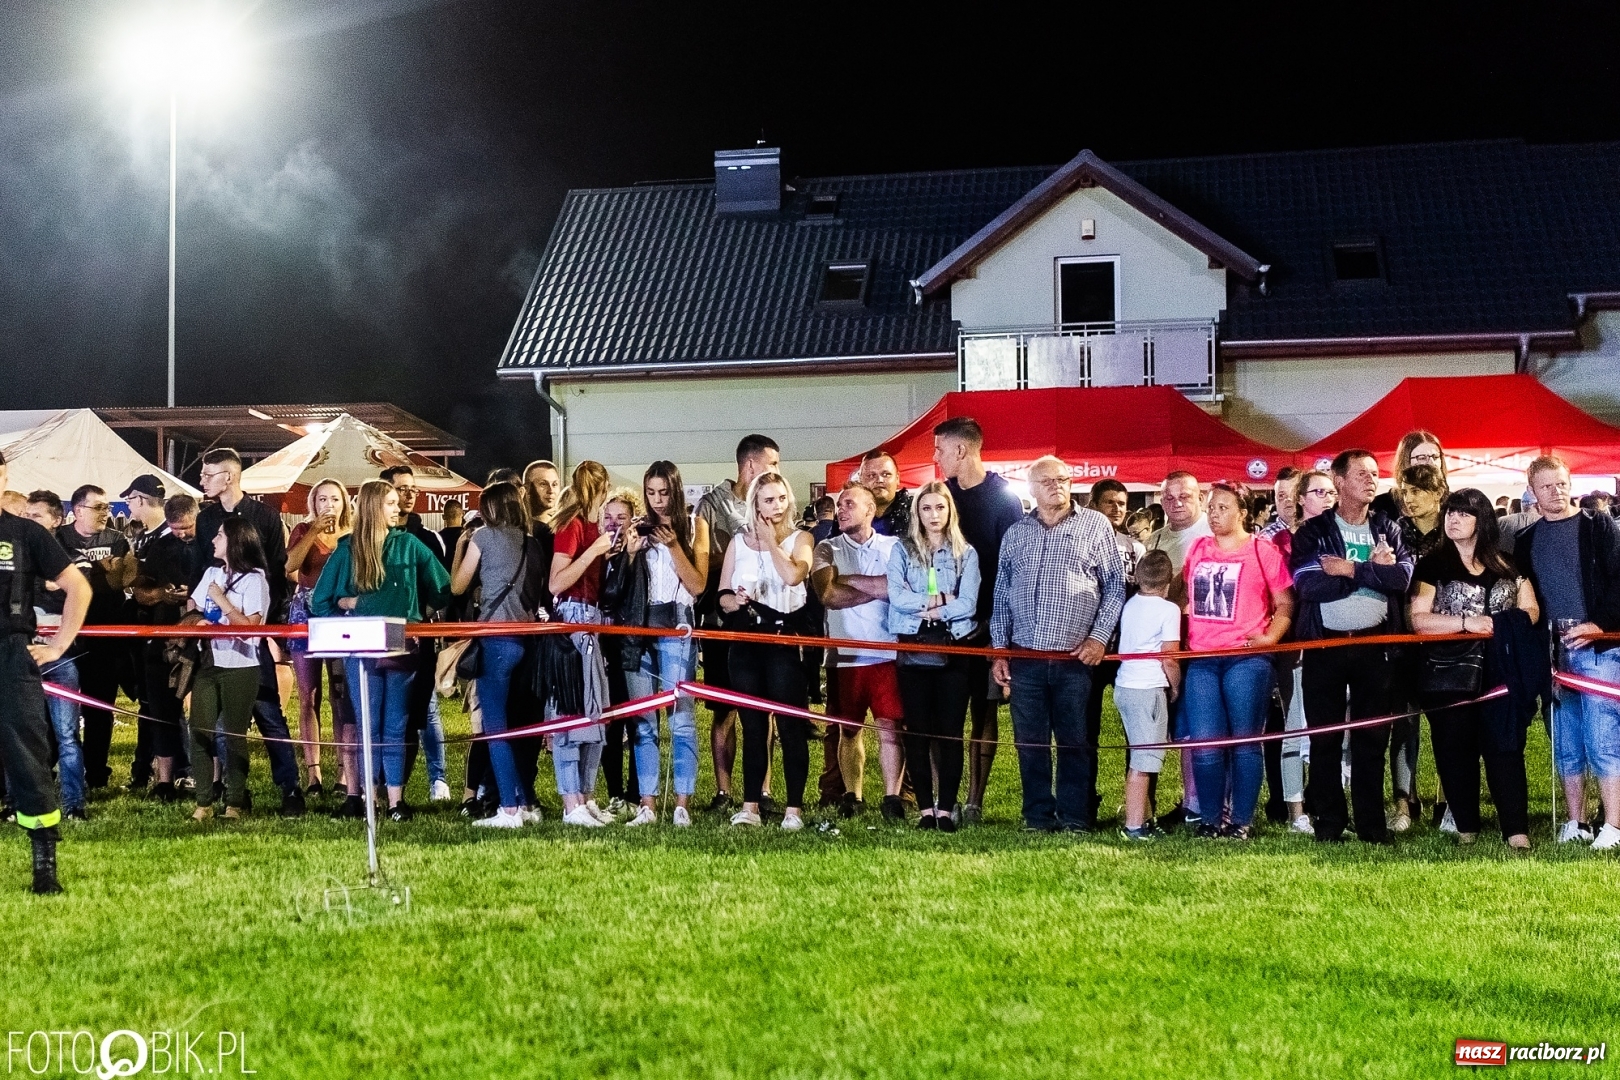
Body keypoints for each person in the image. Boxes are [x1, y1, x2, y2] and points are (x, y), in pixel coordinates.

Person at [989, 456, 1126, 832]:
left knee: (1074, 741)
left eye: (1063, 479)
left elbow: (1115, 586)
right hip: (1025, 655)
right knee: (1029, 742)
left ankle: (1074, 816)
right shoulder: (1016, 533)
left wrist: (1099, 637)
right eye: (1047, 481)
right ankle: (1037, 815)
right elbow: (1001, 594)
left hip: (1075, 657)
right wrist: (999, 649)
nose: (1057, 486)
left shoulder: (1095, 525)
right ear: (1031, 489)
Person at [1289, 449, 1415, 844]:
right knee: (1324, 737)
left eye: (1375, 473)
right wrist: (1375, 572)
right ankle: (1329, 822)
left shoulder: (1388, 528)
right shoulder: (1312, 532)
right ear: (1339, 481)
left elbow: (1403, 578)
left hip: (1376, 648)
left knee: (1372, 738)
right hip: (1325, 646)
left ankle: (1371, 824)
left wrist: (1350, 569)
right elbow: (1309, 584)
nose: (1371, 480)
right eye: (1361, 474)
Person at [310, 480, 451, 822]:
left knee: (385, 724)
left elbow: (442, 589)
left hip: (379, 644)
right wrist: (414, 611)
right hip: (378, 643)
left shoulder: (406, 544)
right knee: (379, 726)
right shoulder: (350, 549)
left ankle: (386, 800)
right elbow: (320, 601)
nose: (398, 507)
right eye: (390, 502)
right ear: (374, 507)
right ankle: (385, 801)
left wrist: (353, 606)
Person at [1410, 488, 1538, 848]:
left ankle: (1516, 830)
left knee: (1505, 747)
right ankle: (1466, 826)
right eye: (1450, 513)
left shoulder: (1508, 564)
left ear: (1482, 520)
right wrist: (1467, 623)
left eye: (1463, 513)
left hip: (1501, 670)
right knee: (1454, 748)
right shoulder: (1432, 564)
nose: (1453, 519)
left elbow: (1531, 610)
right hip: (1448, 671)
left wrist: (1504, 624)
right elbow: (1419, 619)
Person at [1514, 456, 1620, 849]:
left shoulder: (1598, 526)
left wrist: (1600, 625)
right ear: (1533, 491)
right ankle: (1577, 822)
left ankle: (1614, 826)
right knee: (1566, 743)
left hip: (1599, 650)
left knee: (1603, 739)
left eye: (1561, 483)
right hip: (1553, 655)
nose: (1556, 491)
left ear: (1570, 482)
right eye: (1546, 486)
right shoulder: (1525, 540)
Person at [1180, 482, 1295, 840]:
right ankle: (1210, 819)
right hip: (1203, 658)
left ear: (1243, 512)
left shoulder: (1263, 551)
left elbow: (1285, 603)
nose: (1214, 514)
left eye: (1223, 507)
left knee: (1246, 740)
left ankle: (1241, 820)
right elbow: (1187, 594)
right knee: (1205, 743)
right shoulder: (1198, 548)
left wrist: (1270, 637)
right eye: (1211, 507)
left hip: (1247, 658)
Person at [192, 448, 303, 816]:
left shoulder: (265, 517)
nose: (202, 480)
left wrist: (262, 624)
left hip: (251, 637)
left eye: (208, 474)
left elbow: (276, 573)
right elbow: (201, 569)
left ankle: (290, 789)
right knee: (223, 721)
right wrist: (199, 614)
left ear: (229, 477)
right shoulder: (206, 519)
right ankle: (234, 792)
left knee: (269, 714)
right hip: (217, 638)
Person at [0, 450, 92, 893]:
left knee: (26, 757)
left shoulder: (25, 533)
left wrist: (58, 645)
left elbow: (79, 587)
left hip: (10, 654)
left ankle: (44, 863)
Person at [933, 417, 1024, 824]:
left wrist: (996, 627)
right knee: (943, 714)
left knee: (984, 713)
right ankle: (944, 798)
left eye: (940, 449)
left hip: (988, 627)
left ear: (961, 450)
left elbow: (1012, 568)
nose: (936, 457)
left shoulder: (1004, 500)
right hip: (945, 626)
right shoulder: (941, 497)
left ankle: (974, 801)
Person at [717, 471, 815, 829]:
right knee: (753, 726)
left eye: (781, 498)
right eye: (768, 500)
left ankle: (794, 809)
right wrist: (735, 601)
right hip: (746, 641)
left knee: (790, 724)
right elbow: (722, 596)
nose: (776, 506)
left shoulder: (801, 538)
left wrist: (772, 542)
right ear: (754, 504)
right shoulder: (737, 543)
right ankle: (751, 805)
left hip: (783, 640)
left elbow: (793, 576)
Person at [617, 462, 710, 827]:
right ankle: (648, 804)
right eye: (651, 493)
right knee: (643, 720)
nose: (657, 500)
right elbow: (620, 587)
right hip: (639, 626)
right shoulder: (638, 527)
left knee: (681, 719)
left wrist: (673, 546)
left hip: (677, 624)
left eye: (664, 492)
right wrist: (629, 553)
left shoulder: (696, 526)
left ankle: (682, 803)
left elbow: (698, 585)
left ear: (676, 490)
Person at [886, 482, 981, 832]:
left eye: (939, 507)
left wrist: (934, 610)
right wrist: (940, 601)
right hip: (914, 648)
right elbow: (897, 597)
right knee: (917, 732)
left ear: (950, 510)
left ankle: (946, 809)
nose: (934, 515)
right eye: (926, 508)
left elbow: (968, 604)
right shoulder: (902, 550)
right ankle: (926, 810)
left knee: (951, 733)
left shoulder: (966, 553)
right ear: (918, 513)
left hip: (953, 649)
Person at [450, 481, 544, 829]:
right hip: (525, 640)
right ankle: (525, 799)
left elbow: (457, 586)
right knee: (518, 727)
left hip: (495, 639)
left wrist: (460, 547)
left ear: (490, 508)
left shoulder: (483, 538)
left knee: (495, 729)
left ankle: (509, 808)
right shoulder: (531, 543)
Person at [697, 434, 780, 810]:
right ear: (751, 464)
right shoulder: (712, 504)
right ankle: (723, 791)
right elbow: (701, 560)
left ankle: (764, 790)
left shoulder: (774, 501)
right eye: (772, 463)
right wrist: (740, 550)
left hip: (767, 621)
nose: (777, 470)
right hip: (722, 620)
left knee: (766, 707)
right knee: (724, 708)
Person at [812, 483, 904, 820]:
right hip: (844, 655)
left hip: (887, 652)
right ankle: (854, 794)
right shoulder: (827, 548)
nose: (842, 510)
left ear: (870, 509)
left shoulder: (894, 547)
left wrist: (849, 579)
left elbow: (901, 589)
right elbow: (828, 595)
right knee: (848, 729)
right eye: (840, 505)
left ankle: (892, 797)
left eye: (850, 504)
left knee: (890, 727)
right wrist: (879, 587)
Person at [184, 518, 272, 822]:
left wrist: (222, 601)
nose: (213, 540)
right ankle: (203, 803)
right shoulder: (212, 573)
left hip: (241, 666)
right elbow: (193, 605)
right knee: (199, 731)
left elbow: (250, 628)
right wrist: (198, 621)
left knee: (234, 736)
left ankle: (234, 802)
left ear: (236, 541)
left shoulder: (255, 580)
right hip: (209, 662)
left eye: (219, 535)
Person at [547, 460, 618, 827]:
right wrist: (592, 552)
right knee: (571, 713)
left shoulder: (593, 527)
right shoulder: (572, 526)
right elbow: (556, 583)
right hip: (573, 620)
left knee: (595, 715)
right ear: (602, 490)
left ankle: (586, 798)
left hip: (592, 621)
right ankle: (571, 801)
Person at [55, 484, 135, 793]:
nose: (105, 513)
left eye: (107, 507)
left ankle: (97, 773)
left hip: (105, 635)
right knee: (59, 709)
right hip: (69, 633)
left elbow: (120, 581)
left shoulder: (116, 539)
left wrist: (97, 575)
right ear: (77, 510)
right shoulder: (59, 539)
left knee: (100, 706)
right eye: (98, 507)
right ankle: (52, 769)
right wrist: (99, 573)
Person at [1144, 471, 1212, 826]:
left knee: (1204, 719)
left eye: (1184, 496)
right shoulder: (1155, 539)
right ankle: (1191, 802)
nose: (1177, 503)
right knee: (1180, 722)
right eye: (1169, 498)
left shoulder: (1213, 532)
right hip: (1166, 638)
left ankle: (1209, 801)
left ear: (1200, 497)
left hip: (1203, 638)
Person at [381, 465, 451, 802]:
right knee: (390, 711)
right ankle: (385, 785)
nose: (408, 496)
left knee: (427, 707)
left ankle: (438, 778)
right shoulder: (370, 538)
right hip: (382, 632)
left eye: (412, 489)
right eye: (401, 489)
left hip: (418, 633)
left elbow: (443, 585)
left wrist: (423, 612)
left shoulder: (426, 539)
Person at [126, 488, 200, 802]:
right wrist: (161, 595)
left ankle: (206, 778)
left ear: (197, 518)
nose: (182, 534)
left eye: (187, 527)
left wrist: (192, 595)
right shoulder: (160, 547)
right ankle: (164, 781)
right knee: (160, 711)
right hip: (162, 636)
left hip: (200, 638)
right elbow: (141, 589)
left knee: (204, 712)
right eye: (176, 528)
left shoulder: (211, 544)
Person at [285, 479, 356, 802]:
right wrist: (313, 530)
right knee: (307, 695)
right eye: (322, 499)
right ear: (313, 503)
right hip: (306, 611)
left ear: (345, 503)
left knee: (340, 695)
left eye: (335, 499)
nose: (329, 505)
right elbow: (290, 566)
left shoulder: (352, 534)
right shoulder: (303, 530)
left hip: (340, 611)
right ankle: (313, 773)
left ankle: (344, 771)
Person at [1388, 462, 1450, 831]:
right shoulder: (1393, 533)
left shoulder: (1454, 529)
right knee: (1403, 722)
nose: (1409, 499)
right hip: (1403, 639)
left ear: (1437, 493)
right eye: (1405, 492)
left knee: (1448, 722)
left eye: (1417, 491)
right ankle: (1403, 802)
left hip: (1447, 639)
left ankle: (1448, 799)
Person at [1083, 477, 1143, 826]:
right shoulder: (1083, 540)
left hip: (1126, 649)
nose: (1117, 509)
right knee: (1084, 729)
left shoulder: (1135, 547)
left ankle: (1138, 805)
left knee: (1134, 731)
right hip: (1090, 648)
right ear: (1093, 504)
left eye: (1122, 503)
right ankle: (1084, 803)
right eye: (1110, 502)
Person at [1113, 550, 1181, 840]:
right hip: (1148, 689)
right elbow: (1170, 657)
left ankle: (1144, 818)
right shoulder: (1169, 611)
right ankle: (1133, 826)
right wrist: (1175, 686)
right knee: (1143, 763)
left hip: (1125, 686)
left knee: (1139, 757)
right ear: (1168, 581)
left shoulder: (1130, 605)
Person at [1371, 430, 1447, 519]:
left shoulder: (1453, 502)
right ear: (1405, 461)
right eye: (1422, 458)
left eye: (1435, 457)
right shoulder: (1381, 506)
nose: (1432, 463)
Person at [860, 450, 913, 538]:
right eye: (871, 475)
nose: (879, 480)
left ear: (897, 478)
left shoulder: (916, 512)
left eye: (886, 474)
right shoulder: (848, 515)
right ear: (860, 479)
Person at [523, 460, 563, 528]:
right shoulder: (517, 525)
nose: (550, 490)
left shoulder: (566, 523)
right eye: (543, 484)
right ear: (527, 488)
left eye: (554, 484)